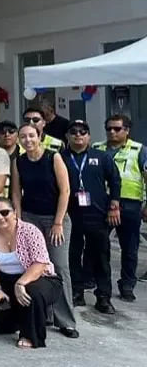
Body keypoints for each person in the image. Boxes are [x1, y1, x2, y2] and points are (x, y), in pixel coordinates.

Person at [10, 123, 78, 338]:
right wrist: (19, 220)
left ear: (39, 136)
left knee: (59, 265)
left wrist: (58, 222)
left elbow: (65, 191)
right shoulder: (18, 161)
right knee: (34, 265)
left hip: (55, 218)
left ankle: (66, 321)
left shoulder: (53, 157)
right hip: (30, 218)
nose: (27, 140)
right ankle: (44, 313)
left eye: (31, 135)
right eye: (23, 137)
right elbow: (16, 194)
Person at [0, 198, 65, 348]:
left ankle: (31, 335)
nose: (0, 217)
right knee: (1, 318)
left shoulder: (30, 231)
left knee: (30, 293)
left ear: (14, 213)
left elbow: (40, 264)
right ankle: (19, 319)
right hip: (6, 280)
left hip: (40, 277)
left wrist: (21, 283)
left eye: (4, 212)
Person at [61, 120, 120, 314]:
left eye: (83, 132)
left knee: (101, 255)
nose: (78, 135)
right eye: (74, 132)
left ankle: (103, 296)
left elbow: (115, 180)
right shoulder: (60, 158)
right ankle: (76, 292)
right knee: (72, 255)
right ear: (67, 136)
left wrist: (114, 205)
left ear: (89, 136)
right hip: (70, 214)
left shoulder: (101, 157)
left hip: (98, 213)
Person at [93, 114, 145, 302]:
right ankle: (97, 281)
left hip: (130, 204)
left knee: (129, 248)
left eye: (117, 129)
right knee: (98, 245)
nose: (112, 132)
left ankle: (127, 285)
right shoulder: (97, 148)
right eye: (109, 129)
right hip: (101, 203)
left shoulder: (139, 150)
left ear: (127, 130)